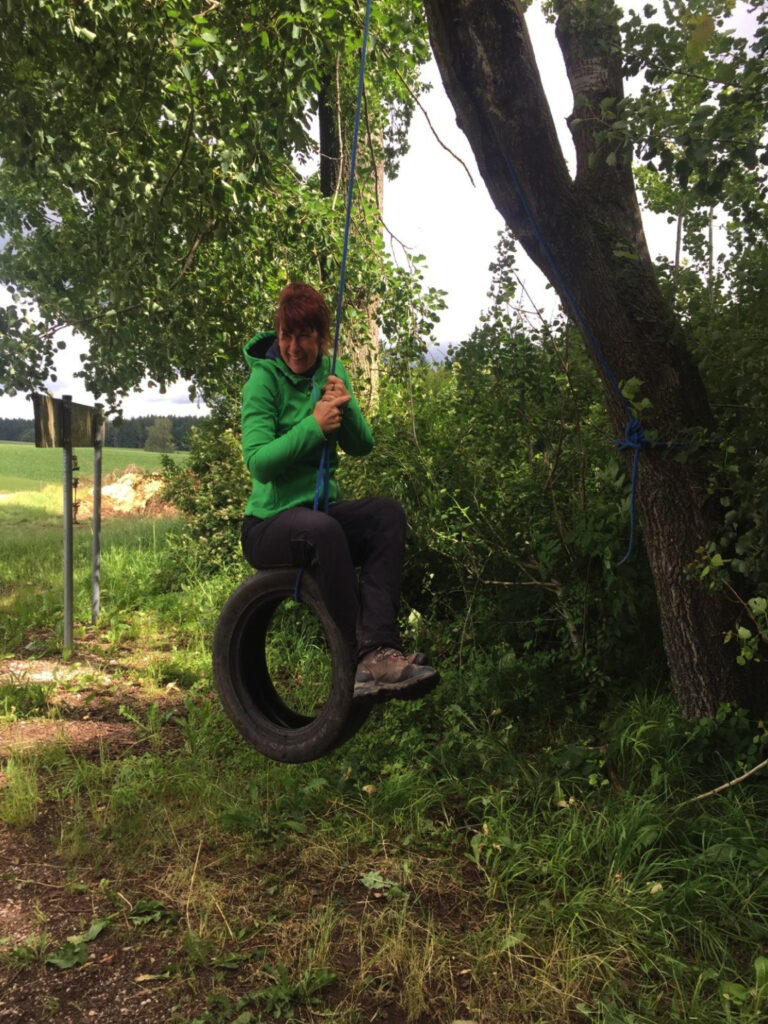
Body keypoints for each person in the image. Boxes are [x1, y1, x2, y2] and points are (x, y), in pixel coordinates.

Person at [240, 282, 438, 698]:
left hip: (318, 518)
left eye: (305, 336)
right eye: (286, 335)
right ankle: (363, 655)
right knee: (323, 529)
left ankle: (380, 647)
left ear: (321, 337)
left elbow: (363, 445)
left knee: (386, 515)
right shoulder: (263, 381)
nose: (294, 347)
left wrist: (344, 410)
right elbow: (258, 462)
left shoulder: (333, 372)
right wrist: (312, 427)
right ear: (278, 333)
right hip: (266, 526)